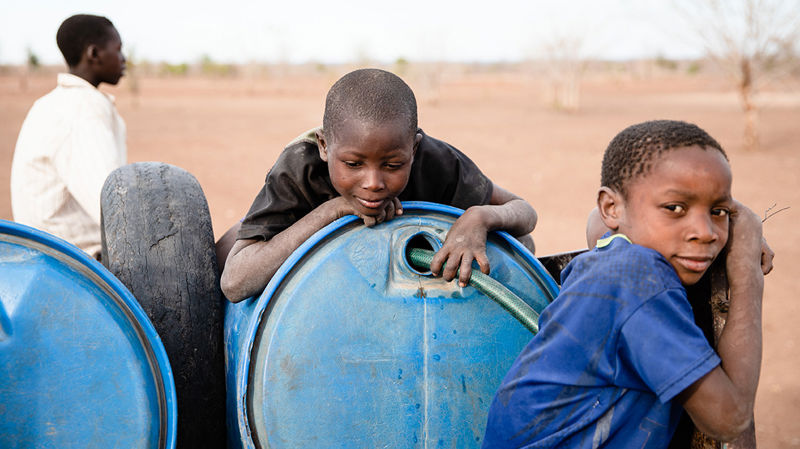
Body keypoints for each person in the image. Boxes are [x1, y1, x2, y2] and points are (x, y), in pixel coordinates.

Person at [482, 120, 766, 448]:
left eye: (718, 211)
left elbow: (595, 220)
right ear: (611, 207)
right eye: (675, 208)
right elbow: (729, 420)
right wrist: (746, 272)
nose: (705, 232)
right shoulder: (637, 279)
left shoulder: (612, 252)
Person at [220, 68, 537, 302]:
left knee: (517, 244)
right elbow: (235, 283)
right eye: (353, 165)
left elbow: (524, 214)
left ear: (413, 149)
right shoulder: (299, 168)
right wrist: (334, 210)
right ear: (324, 145)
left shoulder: (436, 161)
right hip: (309, 278)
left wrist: (478, 218)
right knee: (227, 246)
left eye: (393, 165)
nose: (373, 183)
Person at [10, 14, 126, 259]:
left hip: (44, 252)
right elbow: (112, 208)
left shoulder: (52, 103)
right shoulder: (82, 109)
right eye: (118, 50)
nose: (124, 59)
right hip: (77, 260)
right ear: (94, 54)